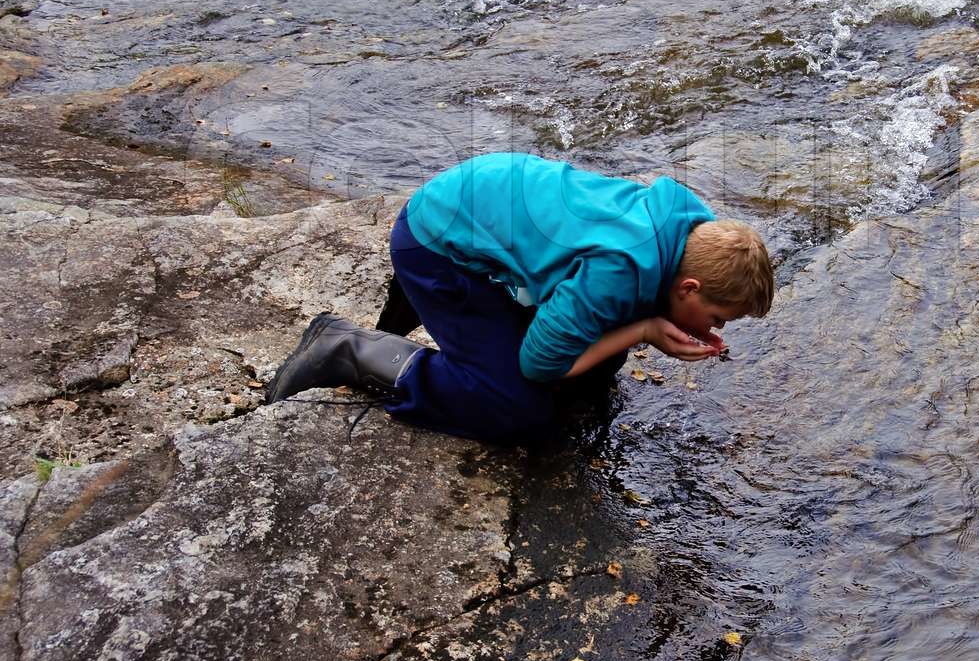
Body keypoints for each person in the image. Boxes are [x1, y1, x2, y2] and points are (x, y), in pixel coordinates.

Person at [265, 152, 775, 444]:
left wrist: (645, 326)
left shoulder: (690, 231)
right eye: (715, 316)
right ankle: (347, 348)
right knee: (517, 409)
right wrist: (642, 332)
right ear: (689, 287)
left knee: (590, 378)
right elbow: (539, 365)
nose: (717, 327)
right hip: (437, 246)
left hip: (482, 209)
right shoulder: (618, 271)